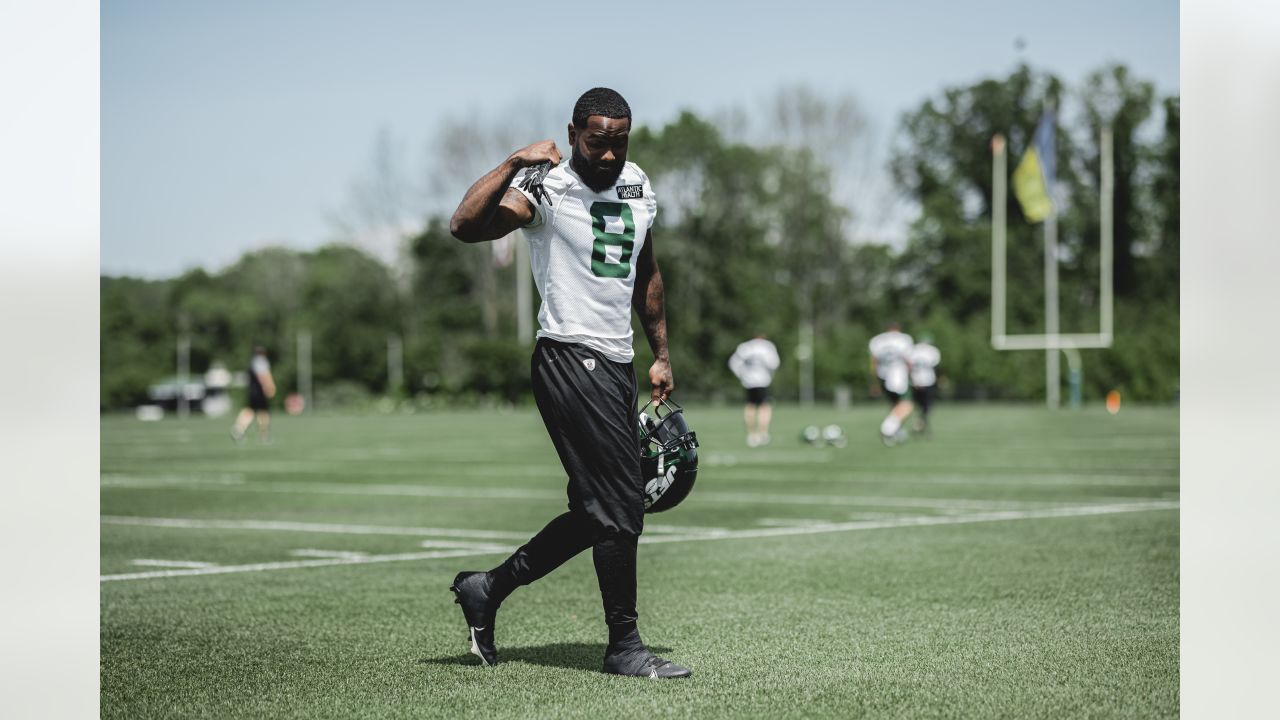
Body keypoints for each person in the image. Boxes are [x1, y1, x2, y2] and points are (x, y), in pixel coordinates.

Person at [446, 88, 690, 679]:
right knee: (621, 501)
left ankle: (488, 587)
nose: (608, 155)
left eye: (618, 142)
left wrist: (659, 353)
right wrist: (513, 163)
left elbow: (646, 272)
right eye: (597, 141)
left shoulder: (636, 182)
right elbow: (465, 225)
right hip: (567, 356)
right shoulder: (546, 187)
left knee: (596, 509)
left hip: (616, 362)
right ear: (574, 132)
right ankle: (623, 646)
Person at [728, 334, 780, 447]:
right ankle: (763, 433)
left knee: (750, 406)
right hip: (763, 381)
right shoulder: (767, 346)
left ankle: (751, 435)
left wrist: (742, 375)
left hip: (749, 381)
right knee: (764, 407)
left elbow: (733, 362)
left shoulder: (746, 346)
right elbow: (774, 364)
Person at [868, 322, 914, 445]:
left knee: (895, 405)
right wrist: (912, 376)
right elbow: (908, 360)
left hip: (883, 376)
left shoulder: (877, 340)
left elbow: (874, 363)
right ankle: (888, 428)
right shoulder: (904, 339)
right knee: (907, 405)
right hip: (898, 376)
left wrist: (874, 382)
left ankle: (896, 431)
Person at [231, 346, 275, 443]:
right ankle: (264, 435)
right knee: (263, 412)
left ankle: (238, 429)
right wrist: (268, 386)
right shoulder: (261, 362)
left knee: (250, 410)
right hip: (260, 392)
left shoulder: (252, 362)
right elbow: (263, 375)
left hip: (252, 392)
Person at [907, 333, 941, 435]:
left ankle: (920, 422)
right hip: (928, 381)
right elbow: (935, 366)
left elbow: (909, 367)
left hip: (915, 381)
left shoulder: (912, 350)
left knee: (918, 405)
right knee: (927, 406)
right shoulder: (932, 351)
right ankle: (921, 422)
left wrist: (913, 379)